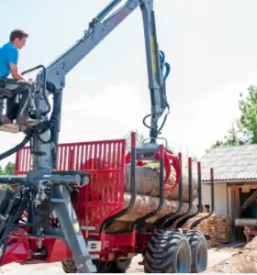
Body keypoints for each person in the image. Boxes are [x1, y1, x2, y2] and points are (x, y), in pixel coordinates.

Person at [0, 29, 37, 127]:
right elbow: (15, 75)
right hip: (1, 82)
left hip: (3, 82)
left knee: (14, 89)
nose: (24, 44)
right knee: (28, 86)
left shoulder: (5, 47)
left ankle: (8, 117)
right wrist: (29, 81)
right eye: (23, 41)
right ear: (16, 39)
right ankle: (22, 117)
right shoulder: (13, 49)